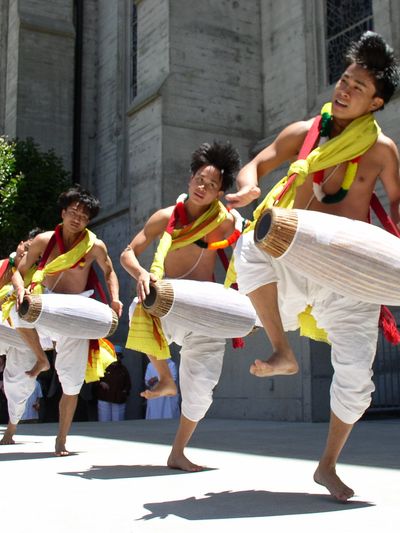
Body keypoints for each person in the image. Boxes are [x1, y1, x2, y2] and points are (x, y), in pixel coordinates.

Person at [225, 31, 400, 501]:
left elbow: (397, 205)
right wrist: (246, 187)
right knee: (252, 242)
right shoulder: (304, 133)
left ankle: (327, 466)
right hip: (296, 255)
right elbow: (258, 164)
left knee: (357, 384)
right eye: (344, 79)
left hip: (351, 269)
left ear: (376, 102)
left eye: (357, 87)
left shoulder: (382, 149)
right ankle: (282, 350)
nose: (343, 90)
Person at [121, 141, 241, 471]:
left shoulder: (225, 220)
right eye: (200, 179)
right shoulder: (164, 217)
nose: (203, 186)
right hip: (168, 301)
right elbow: (128, 253)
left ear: (219, 193)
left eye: (212, 184)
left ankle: (178, 452)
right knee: (137, 307)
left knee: (201, 391)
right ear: (190, 179)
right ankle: (165, 378)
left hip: (205, 307)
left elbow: (249, 246)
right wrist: (143, 273)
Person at [1, 185, 123, 455]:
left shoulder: (95, 245)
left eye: (83, 215)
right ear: (63, 212)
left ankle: (61, 439)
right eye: (73, 211)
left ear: (89, 220)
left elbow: (110, 271)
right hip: (45, 304)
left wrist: (115, 298)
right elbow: (18, 272)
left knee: (72, 381)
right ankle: (38, 365)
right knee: (15, 314)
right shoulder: (44, 240)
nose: (77, 218)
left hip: (76, 312)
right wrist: (21, 290)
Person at [96, 344, 131, 421]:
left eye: (118, 356)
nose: (116, 358)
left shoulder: (123, 369)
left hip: (118, 398)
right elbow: (95, 379)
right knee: (104, 420)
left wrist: (124, 392)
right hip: (104, 397)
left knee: (118, 421)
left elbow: (128, 384)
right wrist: (101, 383)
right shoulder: (103, 367)